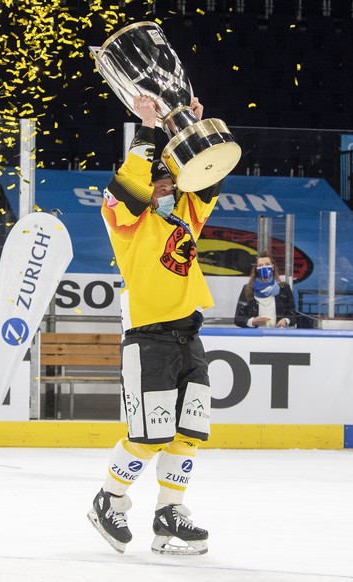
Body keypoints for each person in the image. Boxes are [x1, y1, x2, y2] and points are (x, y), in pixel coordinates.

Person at [90, 95, 218, 556]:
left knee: (188, 433)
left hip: (191, 338)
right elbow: (126, 184)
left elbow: (206, 175)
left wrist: (190, 131)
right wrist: (147, 128)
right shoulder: (126, 223)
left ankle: (169, 513)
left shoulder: (188, 220)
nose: (166, 190)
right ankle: (109, 499)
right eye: (158, 185)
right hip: (148, 339)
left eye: (169, 183)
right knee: (149, 435)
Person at [234, 252, 297, 328]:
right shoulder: (248, 289)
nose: (264, 267)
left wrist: (286, 320)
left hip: (278, 336)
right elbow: (238, 319)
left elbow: (293, 315)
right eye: (260, 265)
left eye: (267, 264)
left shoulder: (284, 288)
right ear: (256, 269)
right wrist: (252, 321)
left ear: (273, 267)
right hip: (255, 336)